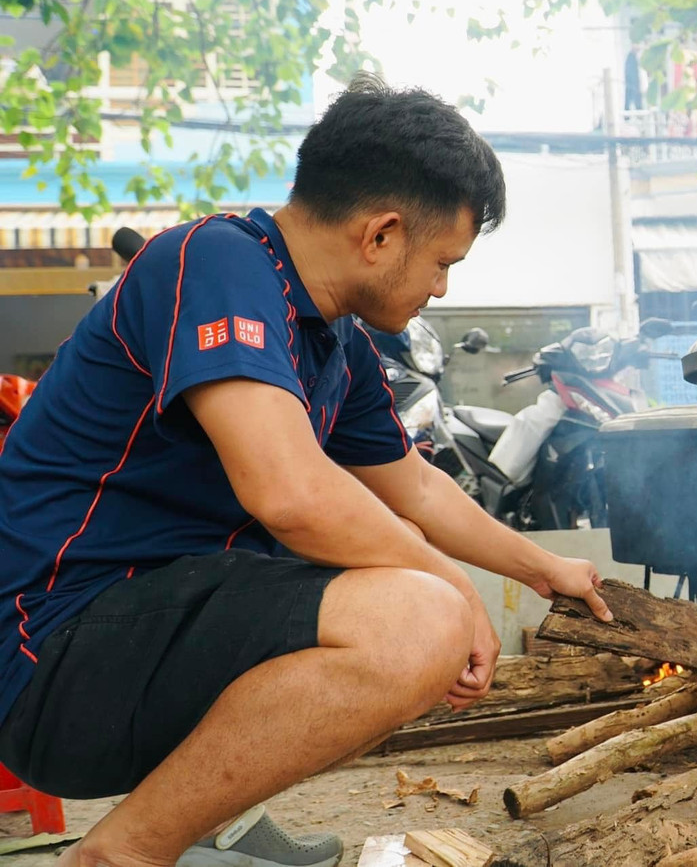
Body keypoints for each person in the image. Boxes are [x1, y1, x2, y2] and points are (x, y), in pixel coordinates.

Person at [0, 73, 613, 867]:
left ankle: (213, 828)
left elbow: (416, 488)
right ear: (382, 233)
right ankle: (122, 854)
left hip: (147, 634)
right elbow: (289, 493)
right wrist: (455, 592)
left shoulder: (339, 344)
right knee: (413, 618)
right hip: (52, 653)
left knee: (397, 597)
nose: (442, 287)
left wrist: (545, 568)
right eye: (441, 261)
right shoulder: (213, 259)